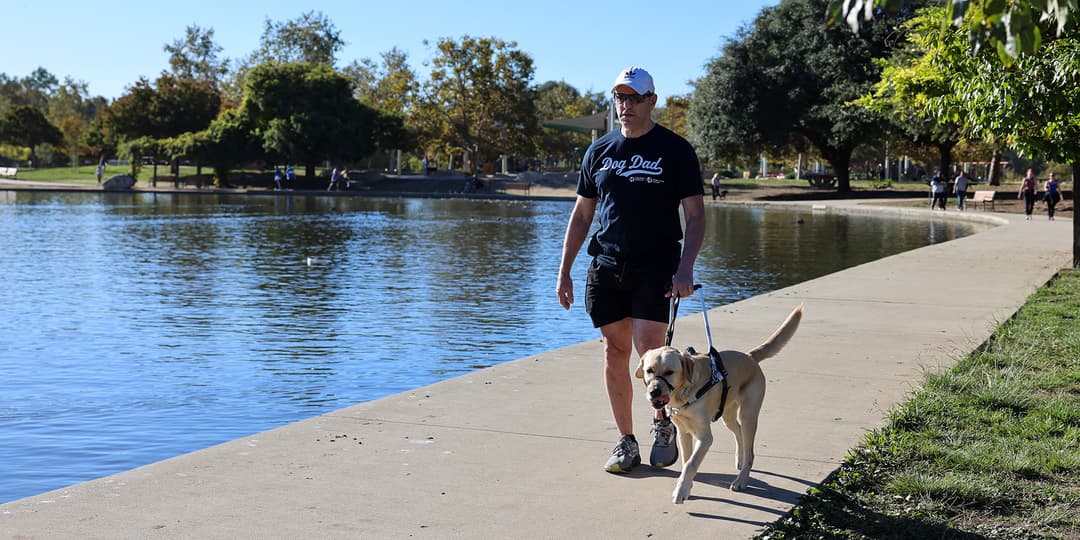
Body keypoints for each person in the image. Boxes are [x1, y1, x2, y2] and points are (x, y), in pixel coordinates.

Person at [555, 66, 705, 474]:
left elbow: (694, 216)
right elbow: (582, 213)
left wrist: (685, 267)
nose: (627, 106)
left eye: (635, 98)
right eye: (620, 98)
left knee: (650, 352)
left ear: (652, 100)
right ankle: (626, 441)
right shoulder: (599, 151)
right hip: (606, 266)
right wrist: (564, 269)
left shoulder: (675, 151)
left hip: (656, 265)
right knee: (614, 351)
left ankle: (662, 426)